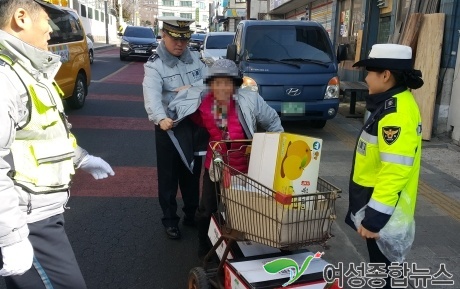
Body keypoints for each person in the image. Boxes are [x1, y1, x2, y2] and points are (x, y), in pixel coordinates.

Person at [0, 1, 115, 288]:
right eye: (47, 19)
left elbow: (41, 136)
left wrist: (81, 158)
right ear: (21, 17)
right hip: (26, 219)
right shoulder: (6, 77)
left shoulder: (26, 70)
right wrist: (12, 237)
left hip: (37, 212)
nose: (51, 29)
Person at [170, 58, 284, 258]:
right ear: (211, 85)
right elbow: (180, 111)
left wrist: (278, 148)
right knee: (207, 209)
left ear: (235, 85)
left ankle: (245, 247)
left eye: (227, 83)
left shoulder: (249, 100)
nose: (222, 87)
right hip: (215, 166)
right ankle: (204, 244)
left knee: (243, 209)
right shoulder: (203, 104)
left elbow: (273, 121)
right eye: (217, 82)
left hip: (246, 166)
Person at [344, 44, 423, 289]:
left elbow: (395, 171)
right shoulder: (392, 103)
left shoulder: (395, 113)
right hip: (382, 206)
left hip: (386, 213)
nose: (366, 78)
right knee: (383, 273)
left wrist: (374, 220)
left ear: (386, 75)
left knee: (385, 275)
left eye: (369, 72)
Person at [143, 16, 207, 240]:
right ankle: (170, 220)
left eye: (185, 39)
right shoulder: (154, 64)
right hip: (168, 126)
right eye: (175, 39)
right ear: (164, 35)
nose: (180, 44)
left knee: (192, 172)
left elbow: (209, 82)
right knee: (169, 177)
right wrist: (160, 118)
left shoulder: (195, 59)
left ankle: (191, 214)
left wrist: (190, 87)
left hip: (193, 124)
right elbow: (151, 95)